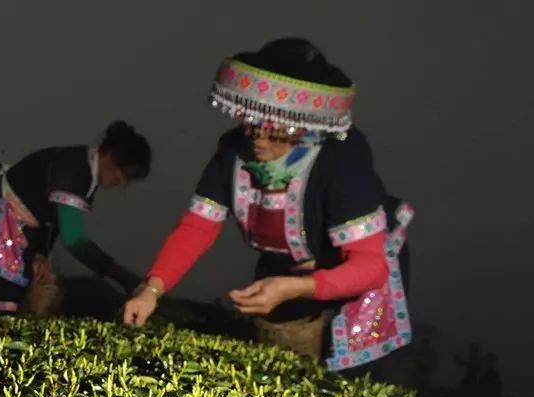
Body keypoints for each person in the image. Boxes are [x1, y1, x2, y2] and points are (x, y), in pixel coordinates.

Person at [123, 39, 414, 377]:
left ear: (303, 126)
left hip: (358, 271)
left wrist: (297, 287)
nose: (258, 138)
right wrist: (152, 289)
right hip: (284, 267)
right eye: (251, 123)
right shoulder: (233, 152)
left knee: (348, 373)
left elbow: (369, 264)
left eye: (276, 129)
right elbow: (197, 227)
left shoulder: (341, 159)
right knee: (275, 367)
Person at [0, 121, 151, 326]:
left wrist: (40, 255)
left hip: (18, 230)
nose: (122, 181)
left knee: (11, 305)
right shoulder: (76, 170)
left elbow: (49, 219)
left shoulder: (85, 172)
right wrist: (124, 277)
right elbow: (73, 240)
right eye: (123, 172)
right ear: (109, 156)